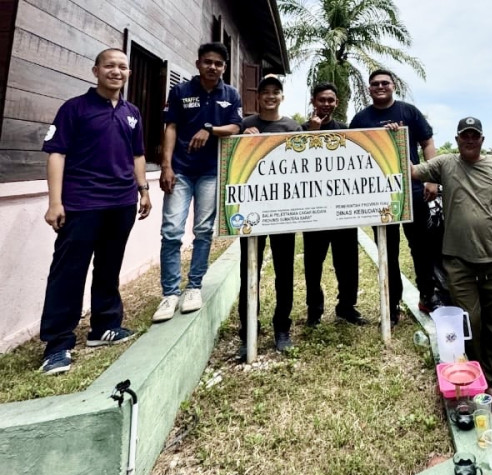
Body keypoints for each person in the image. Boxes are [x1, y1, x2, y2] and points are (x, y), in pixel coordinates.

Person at [39, 48, 151, 375]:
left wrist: (143, 190)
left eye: (123, 67)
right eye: (110, 66)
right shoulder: (74, 109)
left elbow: (137, 155)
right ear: (96, 70)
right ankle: (57, 344)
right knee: (69, 269)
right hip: (81, 202)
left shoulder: (132, 112)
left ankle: (104, 326)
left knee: (108, 266)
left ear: (128, 73)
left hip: (121, 202)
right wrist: (55, 202)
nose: (117, 72)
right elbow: (56, 154)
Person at [411, 117, 492, 417]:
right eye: (464, 136)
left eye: (474, 136)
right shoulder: (445, 164)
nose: (470, 140)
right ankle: (471, 379)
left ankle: (490, 380)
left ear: (481, 139)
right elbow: (411, 170)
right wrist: (393, 138)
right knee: (469, 320)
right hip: (457, 260)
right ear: (457, 140)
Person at [153, 42, 242, 323]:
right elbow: (171, 127)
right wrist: (165, 166)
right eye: (208, 62)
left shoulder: (231, 94)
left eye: (218, 63)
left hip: (211, 172)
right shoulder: (181, 91)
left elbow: (235, 127)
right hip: (179, 171)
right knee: (171, 231)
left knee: (203, 230)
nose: (212, 67)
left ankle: (193, 287)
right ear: (198, 63)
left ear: (224, 67)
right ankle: (169, 293)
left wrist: (209, 129)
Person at [350, 69, 443, 325]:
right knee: (387, 252)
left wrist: (431, 177)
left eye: (385, 83)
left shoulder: (408, 112)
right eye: (375, 84)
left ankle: (427, 295)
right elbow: (351, 155)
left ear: (393, 86)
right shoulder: (360, 118)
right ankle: (391, 306)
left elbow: (427, 142)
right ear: (369, 89)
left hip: (413, 192)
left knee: (421, 247)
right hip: (379, 197)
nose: (380, 87)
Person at [236, 75, 302, 356]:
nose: (271, 96)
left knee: (284, 271)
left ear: (282, 97)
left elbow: (303, 166)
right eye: (266, 92)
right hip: (250, 211)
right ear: (258, 96)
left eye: (276, 92)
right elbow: (232, 161)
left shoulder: (292, 127)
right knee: (248, 270)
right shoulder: (245, 125)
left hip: (283, 211)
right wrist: (241, 141)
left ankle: (282, 328)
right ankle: (247, 330)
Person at [301, 82, 366, 327]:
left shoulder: (346, 132)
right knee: (313, 263)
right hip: (314, 211)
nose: (326, 104)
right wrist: (312, 133)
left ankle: (346, 307)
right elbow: (298, 165)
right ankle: (314, 310)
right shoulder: (301, 131)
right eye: (321, 100)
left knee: (348, 262)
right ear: (313, 102)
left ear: (336, 103)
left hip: (342, 210)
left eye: (330, 100)